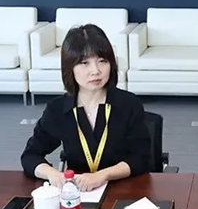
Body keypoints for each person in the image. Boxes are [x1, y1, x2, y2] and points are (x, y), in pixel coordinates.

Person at [21, 24, 150, 191]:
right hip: (77, 194)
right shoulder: (58, 109)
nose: (95, 71)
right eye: (85, 63)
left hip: (124, 191)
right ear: (70, 68)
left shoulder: (129, 104)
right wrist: (53, 174)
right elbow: (30, 156)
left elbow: (140, 158)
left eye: (102, 61)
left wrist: (102, 175)